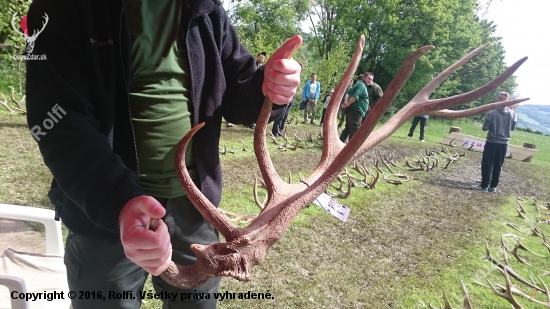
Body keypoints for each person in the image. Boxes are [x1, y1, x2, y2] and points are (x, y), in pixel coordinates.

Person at [25, 1, 301, 308]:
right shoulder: (61, 8)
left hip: (196, 213)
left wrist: (269, 87)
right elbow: (57, 121)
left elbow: (238, 94)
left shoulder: (205, 9)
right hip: (105, 215)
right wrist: (118, 202)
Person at [476, 91, 517, 193]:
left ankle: (484, 186)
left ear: (497, 100)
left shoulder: (491, 113)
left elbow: (484, 128)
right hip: (504, 144)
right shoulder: (513, 114)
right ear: (507, 102)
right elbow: (512, 128)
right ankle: (493, 186)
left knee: (487, 164)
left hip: (492, 142)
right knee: (498, 165)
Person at [339, 74, 369, 142]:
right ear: (364, 78)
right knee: (355, 131)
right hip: (356, 111)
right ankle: (349, 150)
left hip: (353, 110)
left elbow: (348, 92)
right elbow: (355, 96)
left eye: (371, 79)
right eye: (369, 78)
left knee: (348, 129)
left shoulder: (357, 84)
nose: (370, 81)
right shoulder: (361, 85)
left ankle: (341, 142)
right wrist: (348, 103)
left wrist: (347, 102)